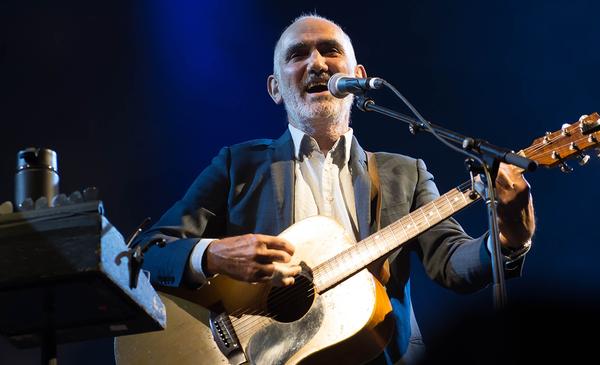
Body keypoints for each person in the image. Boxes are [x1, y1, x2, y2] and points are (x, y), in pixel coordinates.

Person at [135, 14, 535, 364]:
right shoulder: (237, 166)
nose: (317, 63)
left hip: (380, 356)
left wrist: (508, 239)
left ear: (358, 79)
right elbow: (147, 253)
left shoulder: (405, 173)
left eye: (329, 51)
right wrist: (213, 254)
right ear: (275, 88)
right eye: (298, 54)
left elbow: (452, 264)